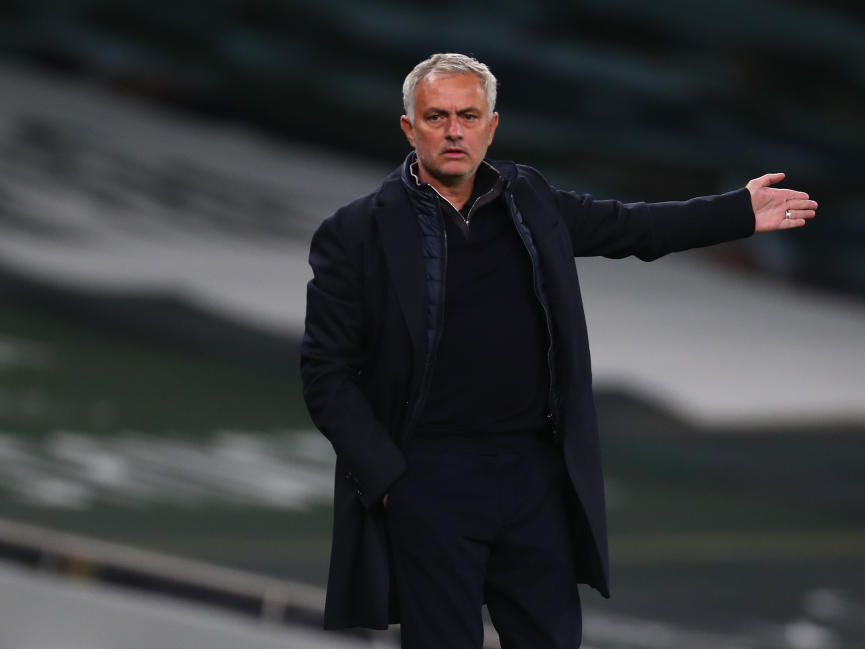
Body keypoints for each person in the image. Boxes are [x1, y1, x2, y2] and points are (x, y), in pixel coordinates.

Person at [301, 52, 816, 648]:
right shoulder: (356, 232)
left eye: (468, 116)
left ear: (491, 126)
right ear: (408, 127)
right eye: (436, 116)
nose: (453, 132)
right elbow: (326, 373)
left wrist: (735, 213)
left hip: (533, 478)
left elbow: (631, 228)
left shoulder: (530, 200)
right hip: (431, 477)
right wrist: (391, 478)